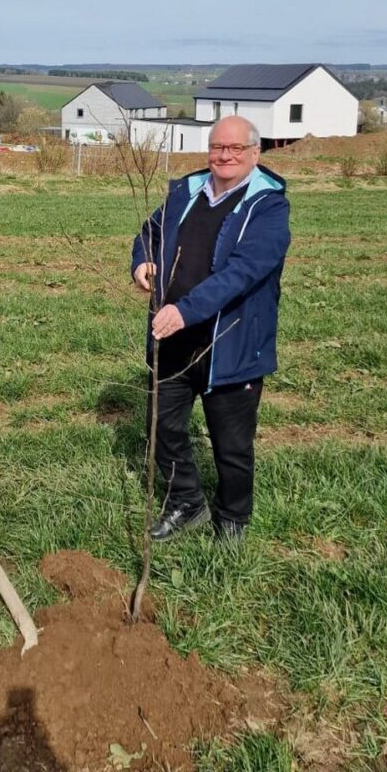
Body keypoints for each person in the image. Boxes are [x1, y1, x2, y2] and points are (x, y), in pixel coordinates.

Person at [130, 116, 290, 544]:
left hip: (230, 345)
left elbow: (243, 272)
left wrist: (186, 309)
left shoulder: (268, 207)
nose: (225, 156)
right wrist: (142, 261)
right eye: (219, 147)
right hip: (174, 341)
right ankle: (186, 502)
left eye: (236, 149)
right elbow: (150, 232)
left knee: (232, 446)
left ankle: (233, 518)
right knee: (162, 428)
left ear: (255, 153)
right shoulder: (184, 192)